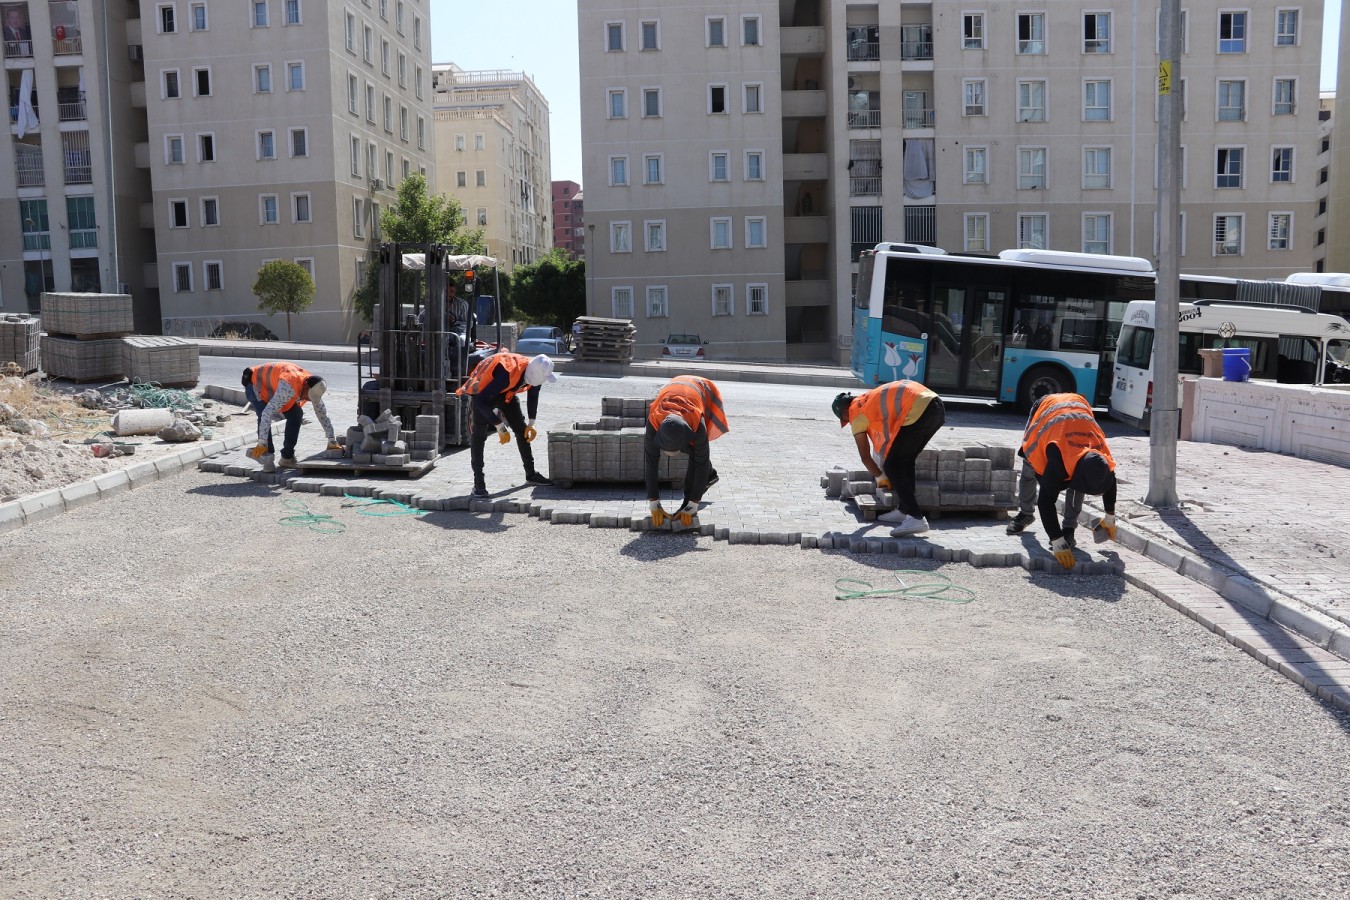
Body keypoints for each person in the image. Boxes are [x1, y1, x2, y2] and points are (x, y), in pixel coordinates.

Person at [1005, 392, 1119, 570]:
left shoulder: (1102, 457)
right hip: (1046, 411)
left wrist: (1110, 517)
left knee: (1079, 481)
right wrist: (1056, 539)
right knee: (1030, 466)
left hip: (1078, 409)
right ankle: (1026, 513)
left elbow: (1111, 483)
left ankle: (1069, 529)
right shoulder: (1057, 458)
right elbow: (1046, 501)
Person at [833, 380, 945, 537]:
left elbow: (865, 457)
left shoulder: (856, 415)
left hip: (920, 411)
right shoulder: (867, 399)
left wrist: (880, 477)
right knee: (905, 460)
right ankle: (904, 510)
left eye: (845, 419)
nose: (848, 421)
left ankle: (915, 517)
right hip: (936, 406)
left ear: (845, 413)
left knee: (892, 466)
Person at [456, 351, 557, 497]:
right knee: (479, 435)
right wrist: (499, 425)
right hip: (483, 394)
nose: (543, 381)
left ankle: (531, 474)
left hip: (506, 395)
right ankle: (479, 485)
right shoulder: (507, 373)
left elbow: (533, 395)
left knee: (521, 431)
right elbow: (480, 402)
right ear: (535, 374)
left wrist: (532, 423)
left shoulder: (535, 375)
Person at [645, 375, 729, 527]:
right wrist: (654, 503)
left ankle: (693, 494)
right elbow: (650, 461)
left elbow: (701, 462)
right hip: (677, 386)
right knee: (695, 453)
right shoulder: (653, 420)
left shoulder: (697, 424)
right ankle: (709, 477)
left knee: (697, 455)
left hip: (702, 389)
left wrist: (692, 505)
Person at [243, 362, 338, 469]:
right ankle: (266, 456)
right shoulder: (288, 388)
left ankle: (287, 458)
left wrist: (332, 440)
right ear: (306, 386)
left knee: (296, 414)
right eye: (308, 396)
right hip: (254, 383)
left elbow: (322, 413)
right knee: (263, 412)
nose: (308, 399)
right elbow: (267, 414)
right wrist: (262, 443)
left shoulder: (314, 386)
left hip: (274, 387)